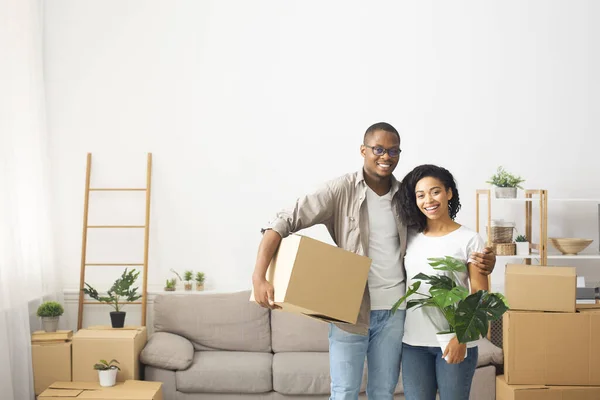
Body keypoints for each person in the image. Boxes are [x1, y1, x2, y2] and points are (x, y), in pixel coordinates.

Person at [252, 123, 496, 400]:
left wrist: (486, 258)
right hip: (350, 312)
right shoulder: (339, 190)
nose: (386, 156)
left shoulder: (406, 195)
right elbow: (282, 221)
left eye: (393, 151)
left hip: (395, 313)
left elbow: (442, 238)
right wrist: (259, 277)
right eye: (378, 149)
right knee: (344, 392)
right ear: (363, 150)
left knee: (383, 391)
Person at [397, 164, 488, 400]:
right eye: (421, 195)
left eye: (435, 191)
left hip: (454, 341)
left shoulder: (469, 239)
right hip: (413, 344)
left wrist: (462, 337)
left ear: (449, 193)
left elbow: (479, 294)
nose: (429, 200)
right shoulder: (409, 237)